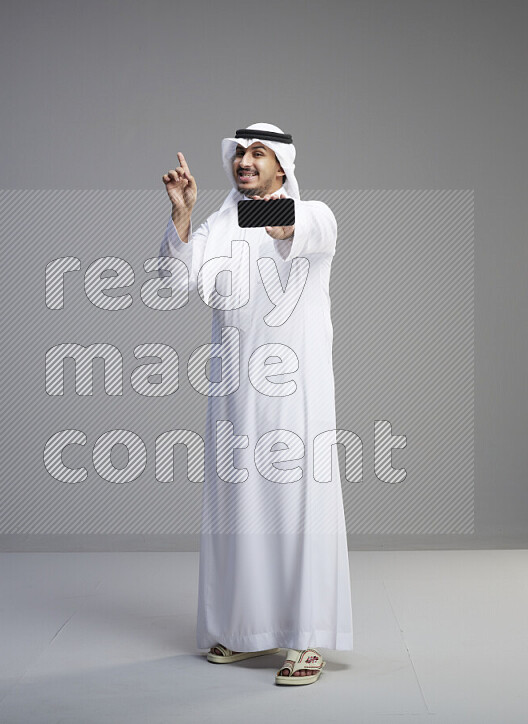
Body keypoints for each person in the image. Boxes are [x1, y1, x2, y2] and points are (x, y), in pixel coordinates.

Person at [158, 123, 353, 686]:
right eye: (240, 153)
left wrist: (264, 211)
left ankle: (306, 641)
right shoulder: (218, 225)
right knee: (237, 515)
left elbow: (292, 229)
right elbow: (174, 286)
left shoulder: (315, 214)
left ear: (283, 166)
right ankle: (247, 634)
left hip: (297, 397)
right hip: (232, 397)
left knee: (298, 512)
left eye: (258, 153)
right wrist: (183, 216)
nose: (245, 160)